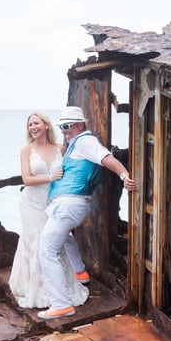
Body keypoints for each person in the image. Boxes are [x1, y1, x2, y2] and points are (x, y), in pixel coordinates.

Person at [37, 106, 137, 320]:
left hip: (68, 205)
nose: (64, 131)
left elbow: (105, 156)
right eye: (61, 127)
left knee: (46, 250)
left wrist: (123, 174)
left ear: (80, 125)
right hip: (70, 204)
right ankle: (80, 273)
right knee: (66, 238)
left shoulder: (85, 142)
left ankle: (61, 304)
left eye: (67, 126)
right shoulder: (75, 143)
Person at [9, 111, 89, 309]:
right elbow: (27, 179)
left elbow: (72, 173)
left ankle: (61, 287)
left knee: (55, 242)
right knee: (35, 241)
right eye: (30, 125)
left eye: (36, 123)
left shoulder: (60, 149)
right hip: (31, 202)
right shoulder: (26, 150)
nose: (33, 127)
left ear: (46, 125)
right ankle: (36, 288)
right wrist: (51, 177)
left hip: (54, 202)